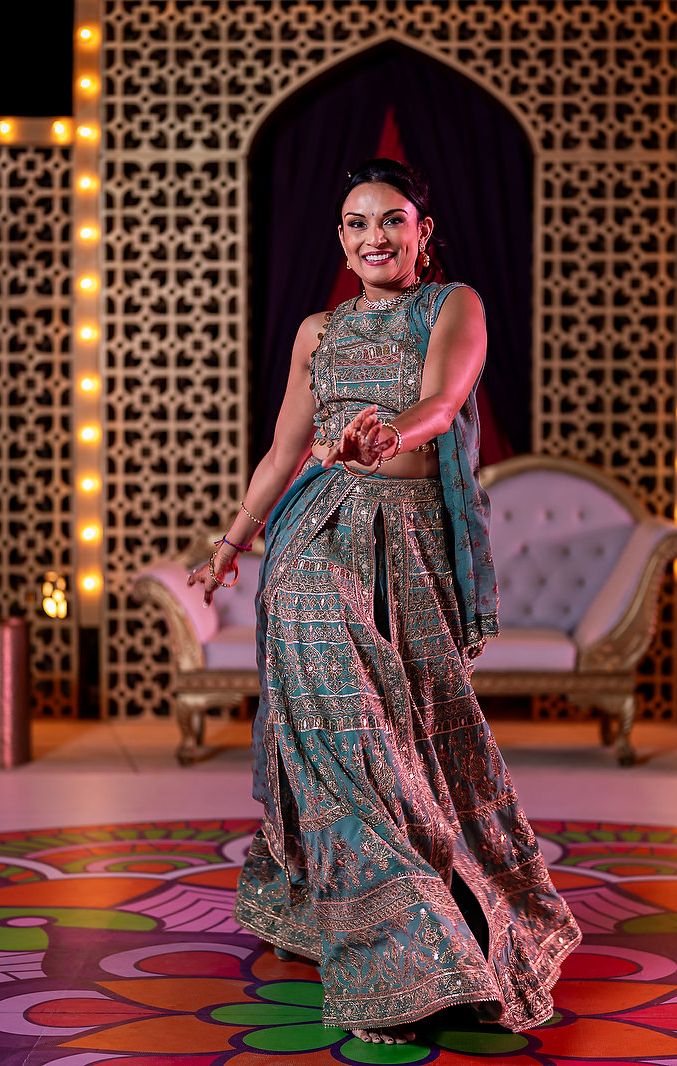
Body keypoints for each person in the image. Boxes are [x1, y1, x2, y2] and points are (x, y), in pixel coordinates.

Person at [191, 159, 580, 1045]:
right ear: (340, 239)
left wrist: (387, 433)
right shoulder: (318, 332)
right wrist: (230, 544)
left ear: (422, 232)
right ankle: (399, 963)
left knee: (414, 744)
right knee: (348, 745)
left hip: (410, 549)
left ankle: (448, 924)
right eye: (358, 223)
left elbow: (443, 402)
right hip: (314, 544)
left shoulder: (452, 307)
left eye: (393, 220)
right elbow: (284, 452)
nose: (376, 237)